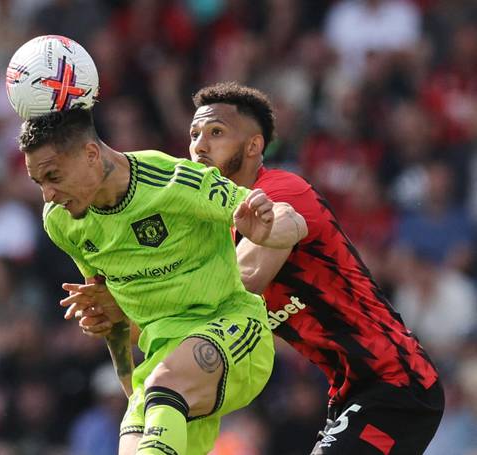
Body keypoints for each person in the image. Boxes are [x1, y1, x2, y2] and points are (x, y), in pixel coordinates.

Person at [73, 82, 445, 454]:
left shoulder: (280, 193)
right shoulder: (213, 227)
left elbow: (241, 282)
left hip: (396, 381)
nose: (199, 146)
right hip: (350, 392)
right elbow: (181, 321)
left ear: (253, 146)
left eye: (216, 132)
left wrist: (135, 291)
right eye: (194, 134)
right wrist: (120, 315)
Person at [17, 107, 308, 455]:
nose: (48, 195)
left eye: (53, 176)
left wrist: (268, 229)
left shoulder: (174, 181)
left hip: (232, 330)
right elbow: (113, 318)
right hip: (160, 366)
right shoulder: (62, 221)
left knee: (163, 386)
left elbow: (291, 218)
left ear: (91, 154)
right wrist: (133, 393)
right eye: (40, 183)